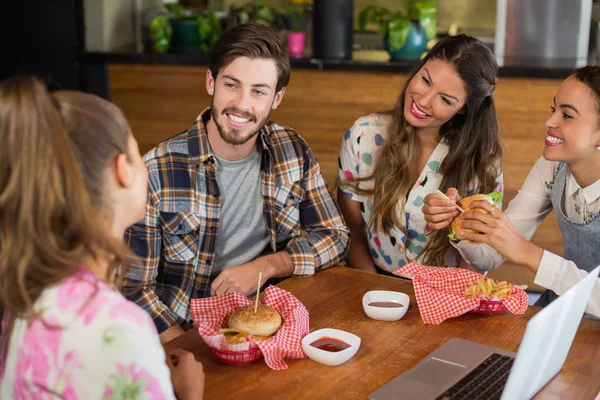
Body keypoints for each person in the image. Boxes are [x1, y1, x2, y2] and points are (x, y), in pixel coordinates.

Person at [124, 22, 350, 342]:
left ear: (277, 98)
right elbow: (132, 290)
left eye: (258, 91)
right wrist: (186, 348)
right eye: (232, 85)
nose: (243, 104)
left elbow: (335, 237)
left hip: (271, 323)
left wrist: (267, 267)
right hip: (185, 332)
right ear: (210, 82)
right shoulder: (156, 171)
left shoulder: (292, 149)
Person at [0, 76, 204, 399]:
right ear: (123, 169)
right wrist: (189, 393)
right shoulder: (120, 329)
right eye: (138, 153)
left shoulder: (24, 294)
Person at [422, 66, 600, 318]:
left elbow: (518, 248)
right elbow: (492, 257)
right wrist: (462, 223)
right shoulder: (552, 167)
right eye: (554, 109)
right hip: (564, 312)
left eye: (567, 115)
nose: (549, 121)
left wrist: (528, 253)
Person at [336, 34, 503, 275]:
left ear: (463, 109)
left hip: (446, 291)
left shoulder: (483, 162)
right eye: (425, 80)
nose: (423, 101)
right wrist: (374, 288)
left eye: (445, 99)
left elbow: (475, 262)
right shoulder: (362, 135)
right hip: (370, 281)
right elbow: (349, 225)